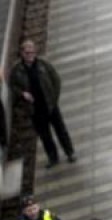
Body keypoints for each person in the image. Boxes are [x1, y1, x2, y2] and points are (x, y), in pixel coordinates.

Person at [9, 40, 75, 168]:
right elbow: (13, 87)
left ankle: (70, 152)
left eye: (32, 52)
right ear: (22, 53)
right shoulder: (17, 70)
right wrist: (23, 94)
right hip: (35, 110)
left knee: (61, 130)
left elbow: (56, 79)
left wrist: (53, 99)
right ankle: (53, 157)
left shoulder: (43, 64)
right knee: (45, 136)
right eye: (27, 53)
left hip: (50, 105)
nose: (30, 55)